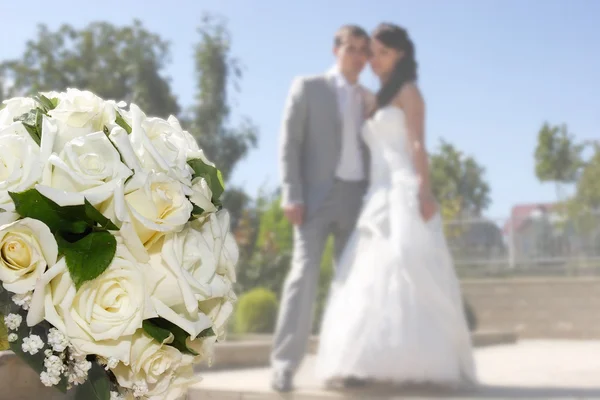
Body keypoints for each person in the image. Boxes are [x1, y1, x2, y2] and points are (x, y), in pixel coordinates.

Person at [314, 23, 477, 388]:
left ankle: (422, 361)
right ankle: (363, 362)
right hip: (377, 192)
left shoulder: (409, 92)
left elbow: (418, 144)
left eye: (382, 53)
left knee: (407, 261)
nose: (374, 60)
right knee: (366, 273)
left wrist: (424, 190)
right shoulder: (376, 98)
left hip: (404, 186)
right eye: (372, 53)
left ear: (399, 54)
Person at [271, 25, 373, 393]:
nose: (358, 56)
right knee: (304, 277)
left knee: (352, 286)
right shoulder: (308, 87)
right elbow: (290, 143)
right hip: (313, 199)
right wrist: (291, 193)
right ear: (336, 50)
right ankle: (284, 365)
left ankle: (348, 364)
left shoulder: (368, 98)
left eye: (364, 51)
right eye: (351, 48)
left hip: (356, 199)